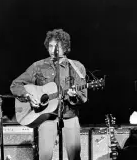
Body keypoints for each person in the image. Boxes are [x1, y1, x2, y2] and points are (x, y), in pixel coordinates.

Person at [10, 28, 87, 160]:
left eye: (57, 46)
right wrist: (28, 96)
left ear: (65, 47)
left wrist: (74, 96)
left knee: (74, 157)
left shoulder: (76, 67)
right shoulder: (38, 66)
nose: (53, 50)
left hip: (69, 117)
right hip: (46, 118)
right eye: (50, 46)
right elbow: (15, 85)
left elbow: (83, 96)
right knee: (44, 157)